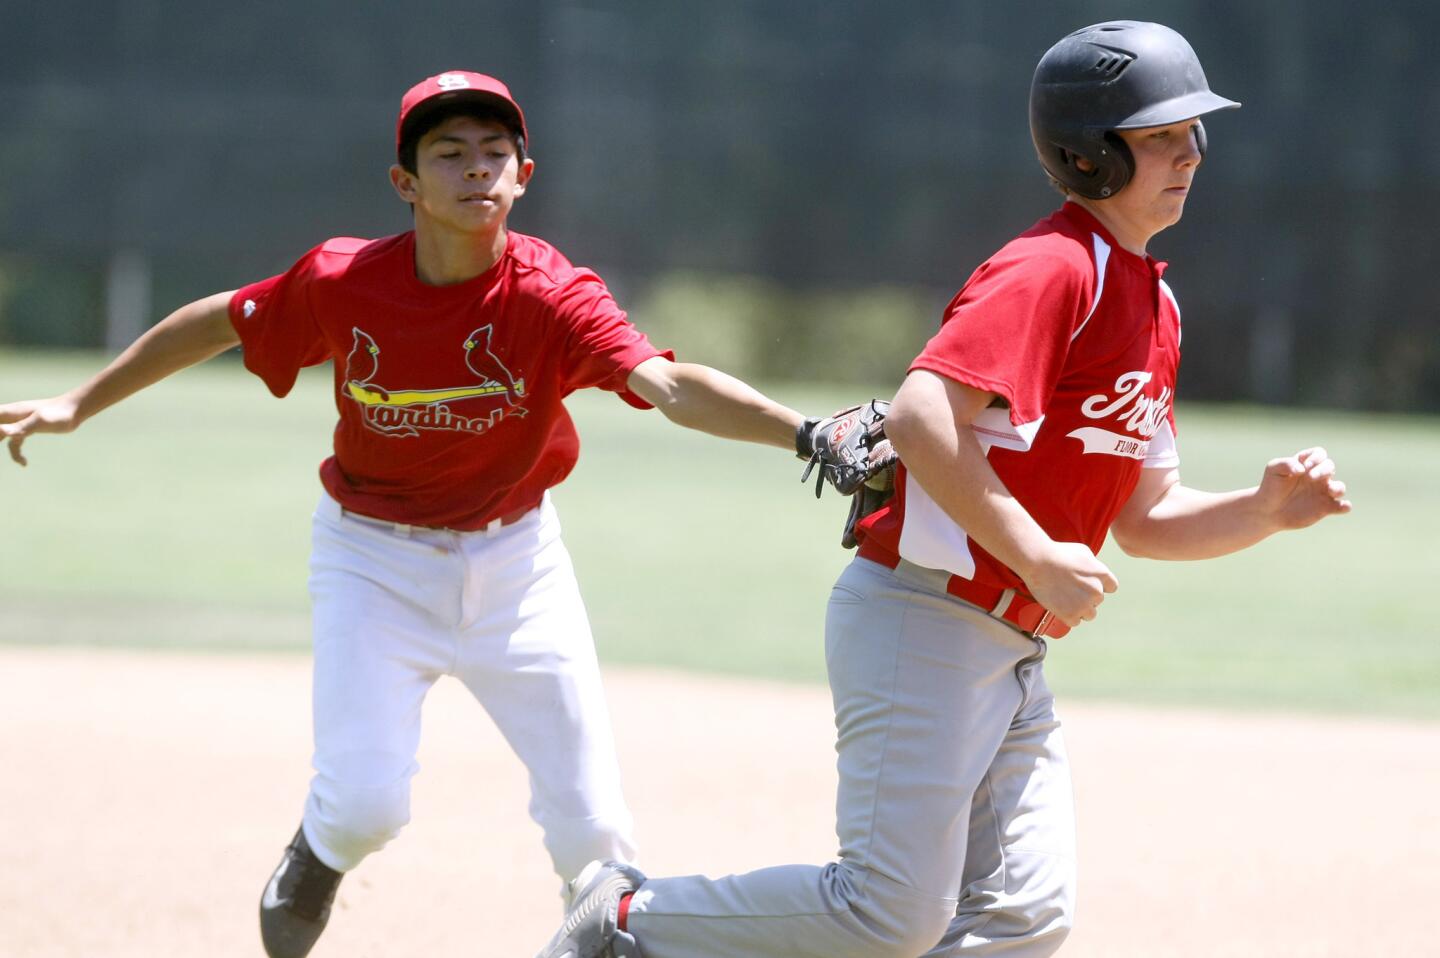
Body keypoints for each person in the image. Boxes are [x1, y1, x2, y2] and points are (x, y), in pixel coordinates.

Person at [535, 20, 1352, 958]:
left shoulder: (1155, 305)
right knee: (888, 913)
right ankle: (627, 925)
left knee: (1023, 917)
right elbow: (922, 415)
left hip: (1008, 645)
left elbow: (1145, 518)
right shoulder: (1053, 268)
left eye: (1193, 133)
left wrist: (1261, 512)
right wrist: (1037, 551)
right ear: (1090, 155)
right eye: (1161, 135)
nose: (1190, 154)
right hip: (924, 619)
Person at [0, 71, 845, 958]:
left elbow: (668, 384)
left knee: (595, 837)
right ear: (405, 183)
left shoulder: (551, 295)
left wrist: (807, 435)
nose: (476, 170)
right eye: (449, 154)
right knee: (365, 806)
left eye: (495, 153)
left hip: (519, 565)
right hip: (373, 560)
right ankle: (321, 849)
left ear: (525, 174)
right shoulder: (343, 280)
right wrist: (79, 403)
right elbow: (217, 322)